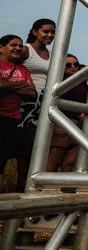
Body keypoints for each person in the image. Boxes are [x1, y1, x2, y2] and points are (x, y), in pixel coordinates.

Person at [16, 19, 55, 191]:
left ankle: (27, 189)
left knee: (35, 148)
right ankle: (18, 189)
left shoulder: (52, 54)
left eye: (53, 32)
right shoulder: (25, 50)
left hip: (44, 104)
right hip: (25, 102)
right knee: (22, 148)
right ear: (34, 32)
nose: (50, 35)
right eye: (45, 31)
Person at [0, 35, 36, 178]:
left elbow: (32, 92)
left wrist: (6, 85)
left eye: (20, 46)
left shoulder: (23, 69)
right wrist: (21, 84)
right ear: (1, 48)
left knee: (3, 155)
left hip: (13, 118)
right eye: (13, 45)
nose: (18, 48)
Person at [47, 54, 88, 173]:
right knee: (54, 160)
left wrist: (85, 111)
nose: (73, 67)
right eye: (68, 65)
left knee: (69, 162)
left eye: (76, 64)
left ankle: (60, 187)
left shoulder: (82, 83)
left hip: (78, 127)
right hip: (61, 126)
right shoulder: (57, 82)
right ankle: (44, 188)